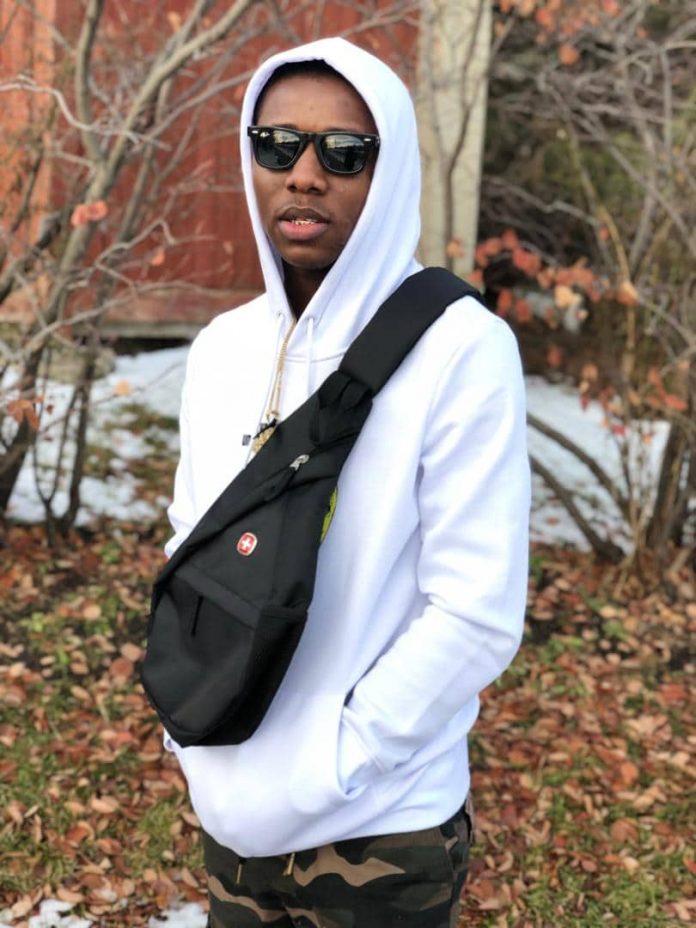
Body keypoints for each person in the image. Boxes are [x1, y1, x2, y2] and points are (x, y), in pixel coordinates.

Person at [163, 36, 530, 928]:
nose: (304, 174)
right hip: (230, 817)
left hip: (378, 831)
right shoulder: (222, 349)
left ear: (388, 169)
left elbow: (475, 612)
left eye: (343, 152)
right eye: (277, 145)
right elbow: (189, 553)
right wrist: (189, 735)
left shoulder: (460, 349)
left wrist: (335, 763)